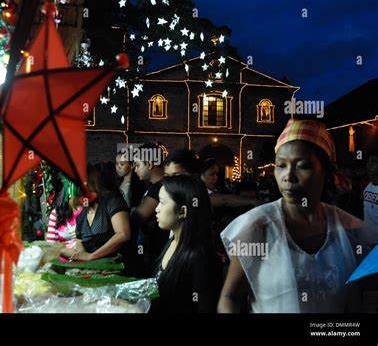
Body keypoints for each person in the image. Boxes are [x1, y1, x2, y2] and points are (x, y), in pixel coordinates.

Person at [218, 119, 378, 313]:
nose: (288, 176)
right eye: (281, 165)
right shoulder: (256, 227)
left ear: (326, 172)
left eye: (302, 166)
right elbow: (230, 297)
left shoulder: (351, 230)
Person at [150, 175, 221, 313]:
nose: (156, 209)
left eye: (162, 203)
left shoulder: (199, 256)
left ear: (183, 211)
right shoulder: (173, 241)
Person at [59, 163, 130, 261]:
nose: (73, 197)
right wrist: (59, 251)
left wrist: (91, 256)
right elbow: (81, 250)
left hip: (119, 266)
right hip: (96, 271)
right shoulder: (81, 217)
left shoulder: (111, 201)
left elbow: (123, 234)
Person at [131, 143, 169, 277]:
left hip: (158, 250)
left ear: (149, 163)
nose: (134, 170)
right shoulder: (156, 186)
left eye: (137, 165)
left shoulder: (159, 187)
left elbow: (138, 217)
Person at [363, 153, 378, 231]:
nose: (370, 177)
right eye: (369, 174)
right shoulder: (367, 185)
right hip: (367, 234)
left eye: (374, 175)